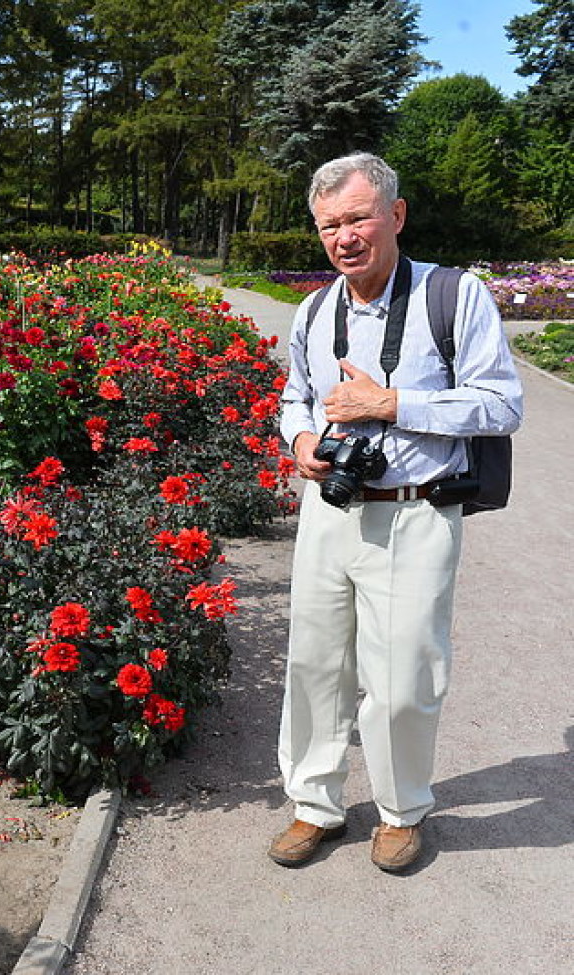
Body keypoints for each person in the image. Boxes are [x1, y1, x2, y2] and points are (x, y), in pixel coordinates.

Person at [270, 152, 523, 873]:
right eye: (328, 226)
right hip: (331, 509)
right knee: (315, 664)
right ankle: (314, 803)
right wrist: (303, 439)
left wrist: (392, 403)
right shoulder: (315, 310)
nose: (343, 237)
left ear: (396, 215)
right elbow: (294, 395)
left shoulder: (454, 295)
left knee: (406, 673)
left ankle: (400, 810)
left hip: (417, 512)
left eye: (356, 218)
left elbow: (503, 404)